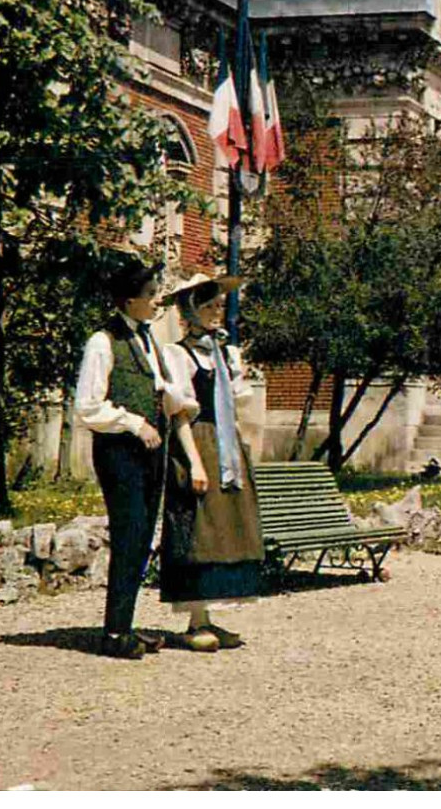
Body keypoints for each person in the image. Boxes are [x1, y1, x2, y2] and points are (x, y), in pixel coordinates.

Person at [73, 257, 194, 659]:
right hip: (120, 452)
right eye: (149, 295)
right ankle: (113, 635)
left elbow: (161, 388)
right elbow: (88, 407)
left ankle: (123, 624)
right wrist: (133, 423)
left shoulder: (147, 339)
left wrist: (184, 405)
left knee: (142, 539)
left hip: (150, 453)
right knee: (129, 536)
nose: (157, 301)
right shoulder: (102, 342)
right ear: (128, 301)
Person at [156, 273, 262, 652]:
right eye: (209, 306)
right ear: (190, 311)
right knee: (199, 527)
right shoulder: (176, 354)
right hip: (198, 440)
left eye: (220, 305)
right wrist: (195, 463)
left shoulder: (224, 353)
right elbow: (180, 414)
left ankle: (210, 615)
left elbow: (235, 402)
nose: (218, 312)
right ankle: (194, 620)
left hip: (226, 444)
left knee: (227, 526)